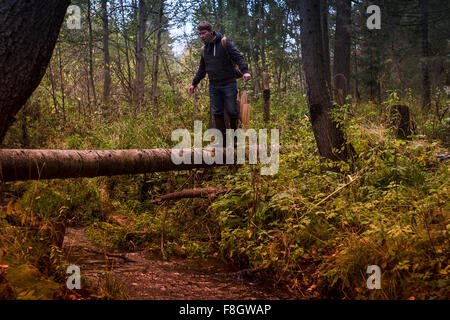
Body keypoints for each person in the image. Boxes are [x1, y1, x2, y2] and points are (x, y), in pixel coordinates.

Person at [189, 21, 251, 148]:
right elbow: (202, 69)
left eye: (204, 33)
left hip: (229, 83)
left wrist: (245, 71)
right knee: (217, 113)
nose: (201, 36)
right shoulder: (204, 49)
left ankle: (234, 141)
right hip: (214, 86)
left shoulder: (224, 42)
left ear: (210, 32)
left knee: (232, 111)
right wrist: (194, 84)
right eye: (199, 34)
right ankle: (222, 141)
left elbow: (238, 56)